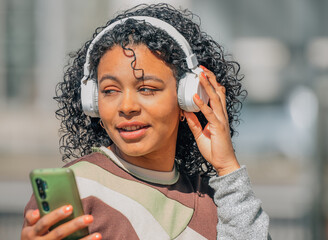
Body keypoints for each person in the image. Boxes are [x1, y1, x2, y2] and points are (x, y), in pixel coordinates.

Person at [22, 3, 270, 240]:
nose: (127, 107)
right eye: (109, 91)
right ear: (92, 102)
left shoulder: (218, 202)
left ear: (188, 98)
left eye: (147, 88)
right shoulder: (75, 192)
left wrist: (227, 169)